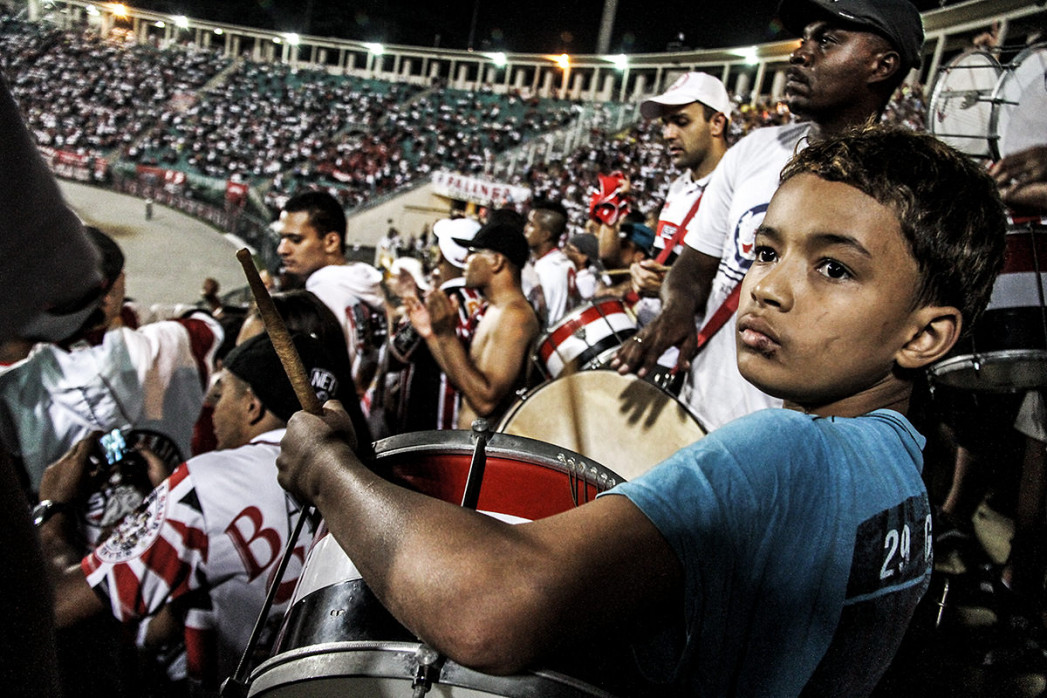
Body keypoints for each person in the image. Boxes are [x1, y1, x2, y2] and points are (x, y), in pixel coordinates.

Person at [275, 127, 1006, 696]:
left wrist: (326, 468)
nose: (768, 289)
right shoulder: (904, 467)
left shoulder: (787, 449)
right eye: (763, 251)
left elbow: (491, 608)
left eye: (833, 267)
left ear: (924, 335)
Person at [615, 0, 925, 431]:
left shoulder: (912, 188)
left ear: (882, 65)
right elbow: (694, 263)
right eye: (803, 40)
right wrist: (677, 309)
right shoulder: (755, 150)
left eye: (828, 40)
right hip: (700, 408)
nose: (800, 54)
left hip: (803, 441)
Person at [37, 333, 339, 695]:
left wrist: (53, 509)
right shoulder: (359, 469)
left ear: (252, 406)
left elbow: (51, 605)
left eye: (223, 390)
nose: (212, 404)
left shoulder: (207, 485)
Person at [0, 227, 223, 499]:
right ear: (115, 287)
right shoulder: (158, 343)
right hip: (165, 520)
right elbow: (206, 326)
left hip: (58, 527)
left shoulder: (14, 380)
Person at [598, 71, 731, 303]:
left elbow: (738, 288)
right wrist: (637, 280)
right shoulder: (679, 186)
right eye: (666, 124)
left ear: (717, 123)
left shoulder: (739, 192)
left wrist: (668, 291)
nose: (668, 134)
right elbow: (664, 266)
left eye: (681, 122)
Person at [403, 219, 539, 429]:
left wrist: (447, 337)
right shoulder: (494, 308)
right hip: (471, 446)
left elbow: (485, 402)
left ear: (496, 261)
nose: (465, 259)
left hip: (485, 452)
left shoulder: (515, 316)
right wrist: (432, 335)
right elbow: (465, 380)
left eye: (473, 252)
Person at [276, 190, 387, 398]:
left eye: (295, 239)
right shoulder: (364, 286)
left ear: (331, 242)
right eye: (282, 238)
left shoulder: (322, 297)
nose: (282, 249)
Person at [384, 216, 486, 433]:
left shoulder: (437, 304)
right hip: (468, 426)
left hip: (428, 429)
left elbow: (393, 356)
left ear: (441, 256)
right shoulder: (488, 302)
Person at [521, 198, 579, 328]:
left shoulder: (547, 269)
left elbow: (541, 318)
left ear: (545, 235)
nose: (525, 229)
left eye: (531, 225)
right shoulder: (564, 263)